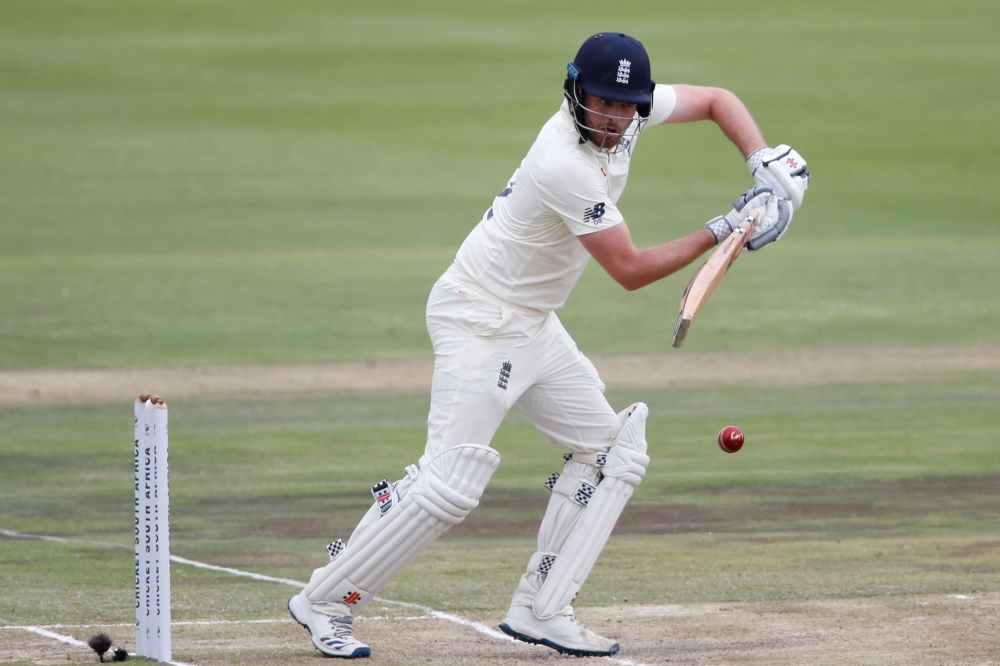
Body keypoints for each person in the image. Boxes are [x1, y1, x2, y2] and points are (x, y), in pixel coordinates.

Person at [288, 32, 809, 659]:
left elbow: (719, 99)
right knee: (447, 484)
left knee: (610, 449)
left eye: (625, 105)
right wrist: (728, 225)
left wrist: (762, 163)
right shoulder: (562, 159)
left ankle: (542, 607)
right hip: (479, 318)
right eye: (601, 102)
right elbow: (630, 269)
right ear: (575, 92)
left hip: (534, 322)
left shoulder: (631, 116)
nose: (613, 117)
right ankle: (324, 600)